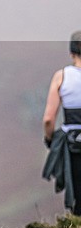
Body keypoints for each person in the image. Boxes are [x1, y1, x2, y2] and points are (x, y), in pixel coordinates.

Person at [42, 31, 81, 214]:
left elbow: (49, 119)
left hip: (72, 144)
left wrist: (50, 140)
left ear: (71, 53)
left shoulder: (62, 77)